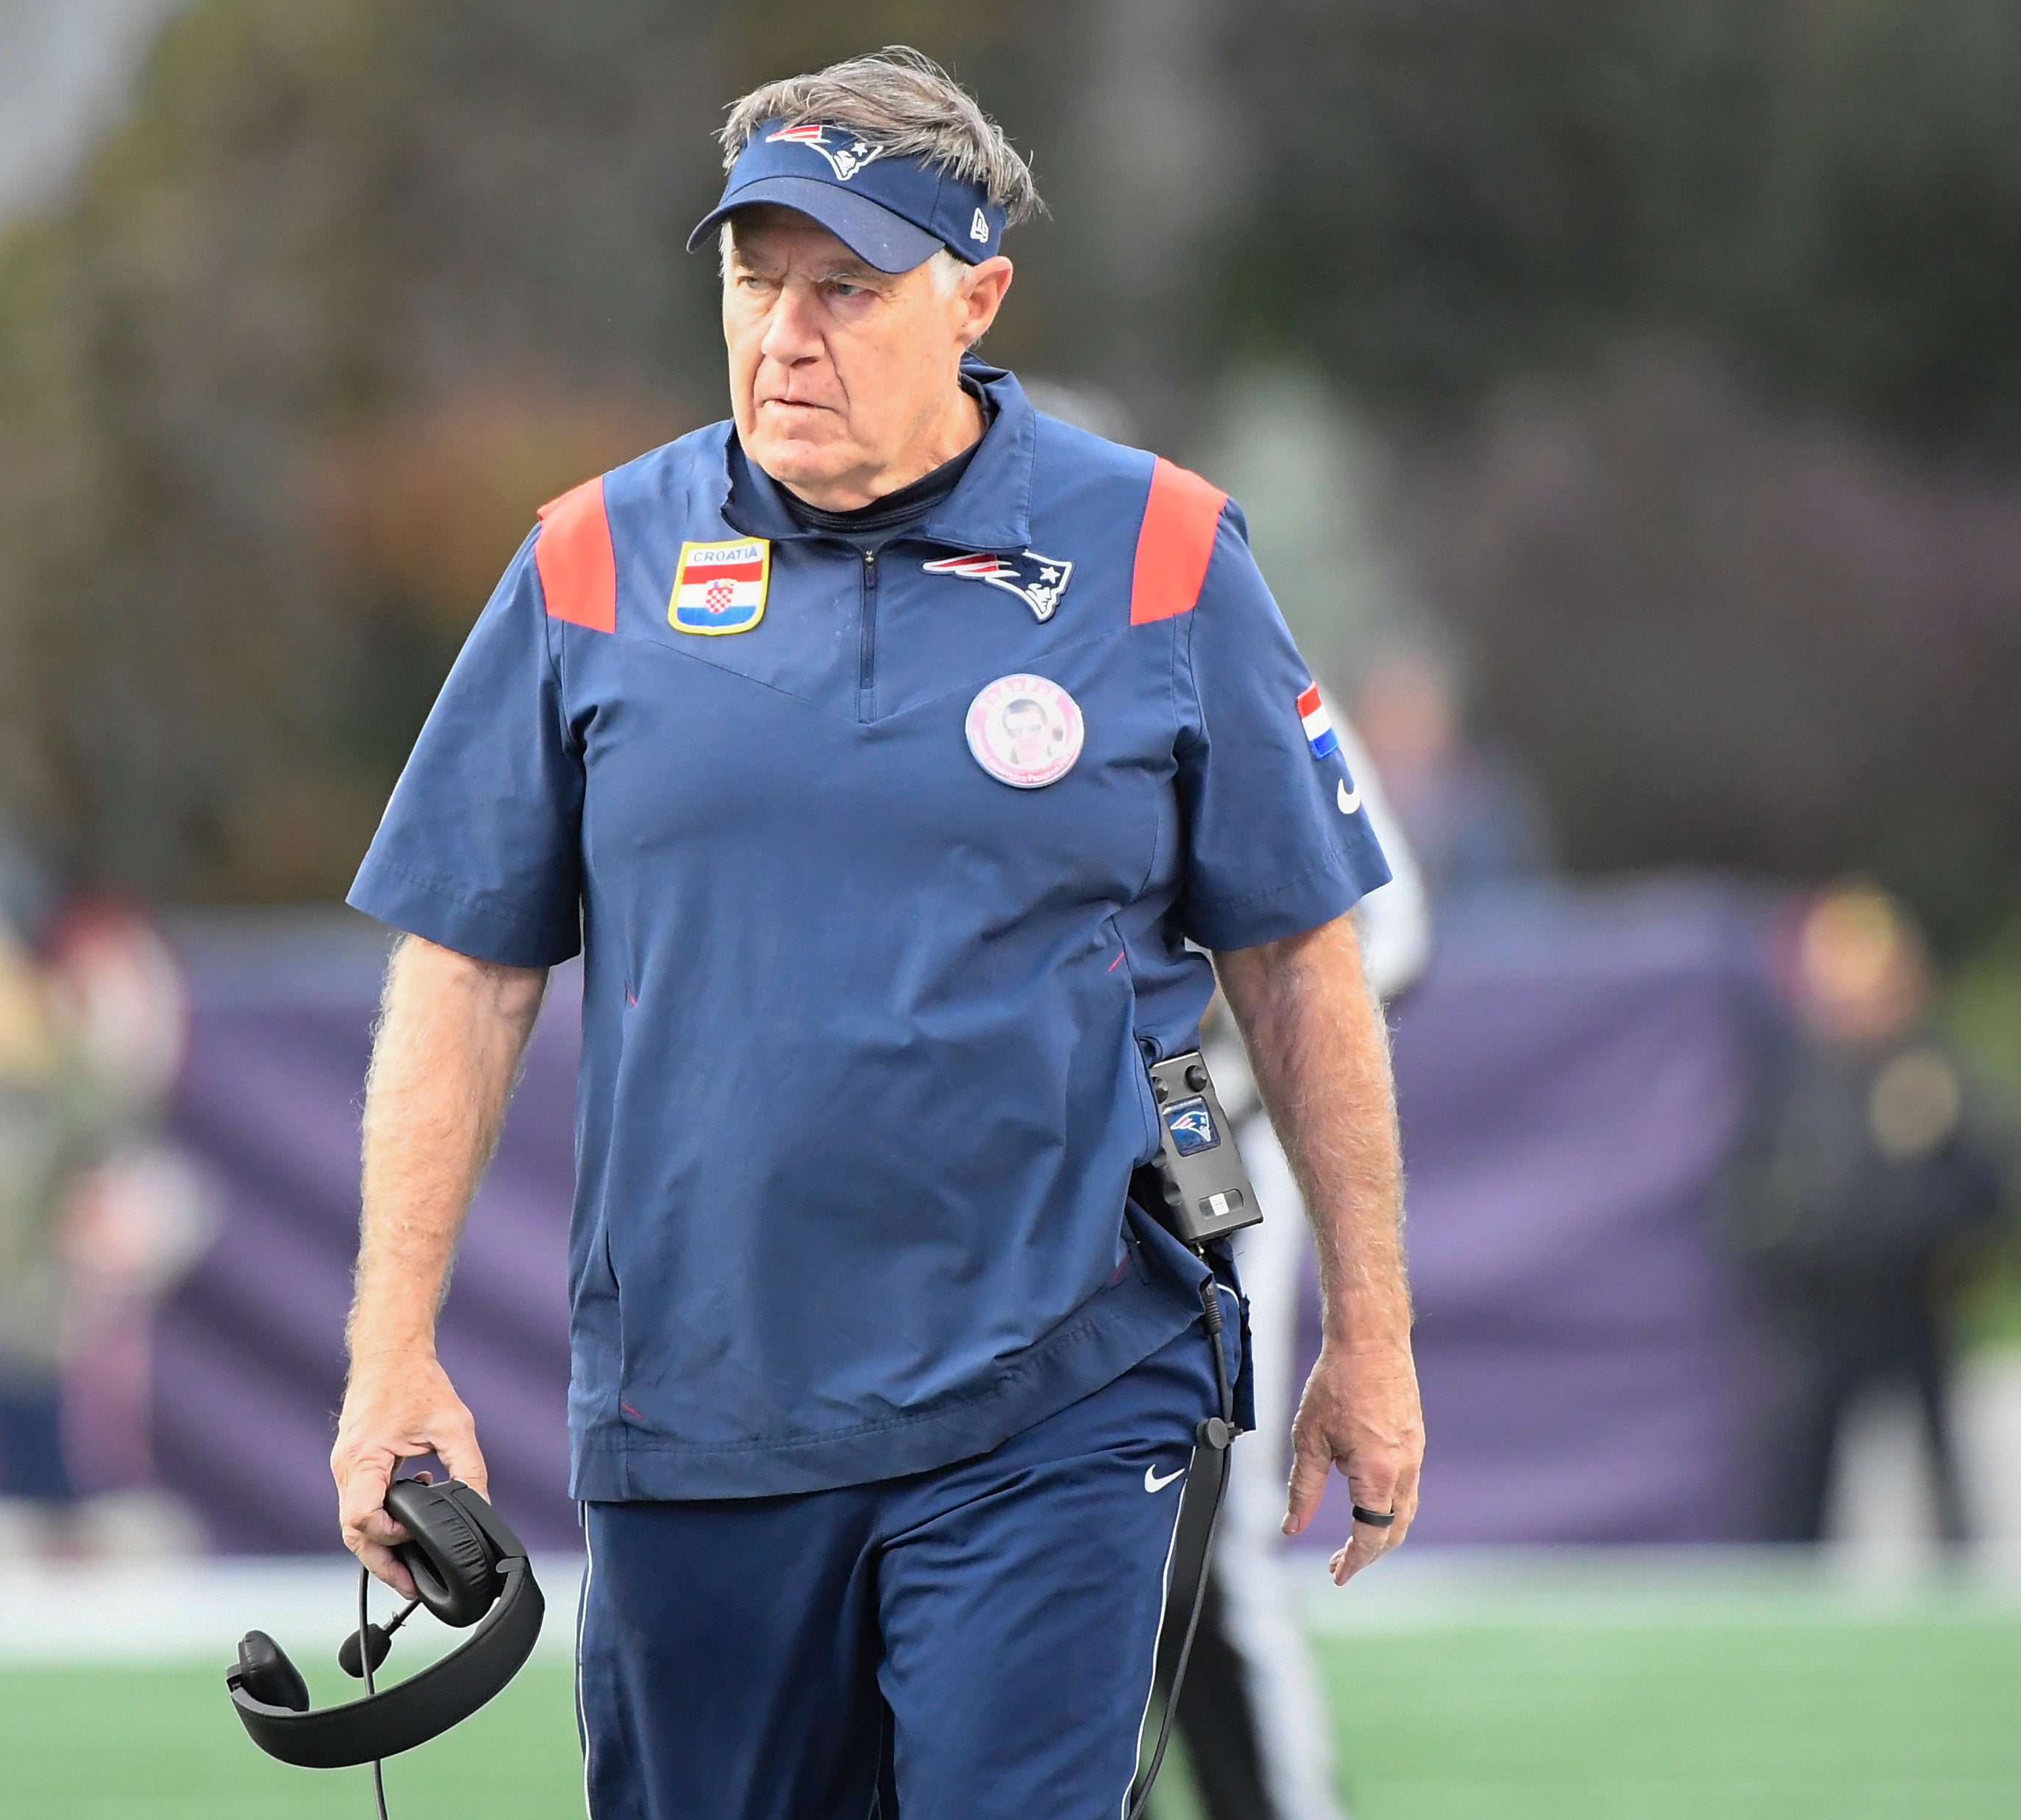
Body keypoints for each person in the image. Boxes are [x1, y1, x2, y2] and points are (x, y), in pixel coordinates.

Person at [333, 48, 1424, 1818]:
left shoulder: (1158, 554)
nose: (785, 331)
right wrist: (389, 1356)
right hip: (695, 1418)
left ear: (975, 294)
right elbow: (463, 971)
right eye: (753, 278)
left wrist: (1366, 1332)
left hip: (1063, 1399)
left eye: (846, 285)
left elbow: (1300, 963)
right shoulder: (589, 563)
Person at [1174, 695, 1430, 1820]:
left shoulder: (1215, 640)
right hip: (976, 1174)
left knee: (1205, 1517)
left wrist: (1208, 1039)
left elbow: (1389, 925)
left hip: (1191, 1147)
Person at [1724, 883, 2010, 1547]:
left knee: (1943, 1485)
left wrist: (1938, 1197)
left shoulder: (1936, 1067)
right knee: (1799, 1485)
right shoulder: (1797, 1075)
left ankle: (1956, 1588)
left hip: (1915, 1306)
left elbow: (1986, 1190)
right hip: (1821, 1318)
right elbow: (1755, 1192)